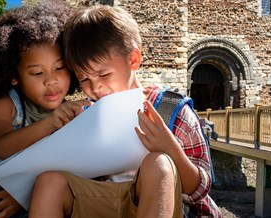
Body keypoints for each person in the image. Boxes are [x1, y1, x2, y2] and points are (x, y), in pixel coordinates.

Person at [29, 4, 222, 218]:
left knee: (158, 163)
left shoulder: (170, 108)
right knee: (49, 183)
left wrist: (171, 150)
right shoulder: (86, 115)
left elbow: (200, 190)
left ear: (133, 60)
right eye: (84, 79)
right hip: (103, 203)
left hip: (165, 207)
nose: (95, 88)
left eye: (104, 75)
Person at [0, 1, 90, 217]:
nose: (51, 81)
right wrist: (52, 122)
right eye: (37, 73)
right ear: (14, 76)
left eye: (59, 68)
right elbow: (3, 147)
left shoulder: (71, 115)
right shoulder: (3, 102)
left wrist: (22, 195)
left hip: (29, 201)